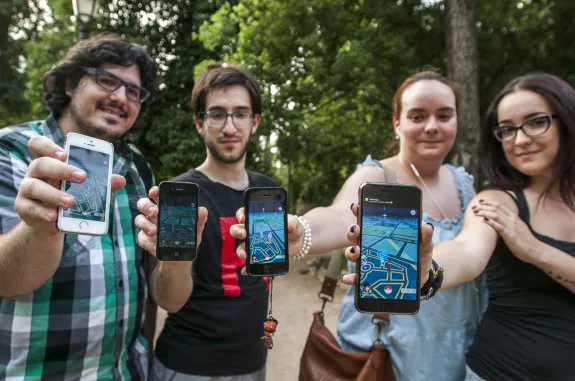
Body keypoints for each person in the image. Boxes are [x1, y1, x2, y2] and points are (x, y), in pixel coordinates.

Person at [231, 70, 487, 380]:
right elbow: (339, 216)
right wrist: (303, 231)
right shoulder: (375, 178)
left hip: (455, 349)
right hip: (384, 357)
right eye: (418, 116)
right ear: (397, 123)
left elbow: (470, 252)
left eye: (444, 115)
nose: (432, 127)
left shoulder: (464, 184)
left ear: (457, 120)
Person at [344, 72, 575, 380]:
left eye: (535, 122)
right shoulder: (496, 201)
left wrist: (535, 250)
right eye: (507, 129)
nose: (520, 139)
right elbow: (467, 252)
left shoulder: (463, 184)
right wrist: (423, 270)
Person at [0, 33, 162, 379]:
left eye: (133, 92)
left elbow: (149, 284)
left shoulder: (137, 169)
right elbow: (6, 279)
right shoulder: (11, 151)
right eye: (107, 81)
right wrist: (40, 227)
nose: (120, 97)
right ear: (72, 83)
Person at [135, 64, 275, 381]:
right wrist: (176, 260)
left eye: (240, 114)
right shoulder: (180, 196)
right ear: (200, 123)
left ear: (255, 122)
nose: (229, 126)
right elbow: (169, 301)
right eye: (216, 114)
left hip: (254, 365)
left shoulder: (266, 192)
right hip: (189, 367)